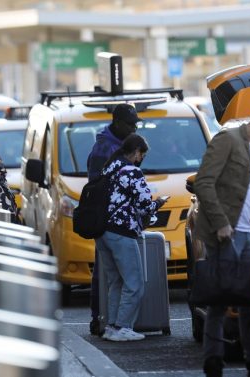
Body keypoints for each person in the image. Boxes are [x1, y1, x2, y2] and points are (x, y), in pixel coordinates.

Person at [193, 101, 250, 377]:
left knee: (249, 300)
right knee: (220, 301)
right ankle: (213, 363)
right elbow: (204, 182)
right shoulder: (228, 140)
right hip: (226, 235)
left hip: (247, 237)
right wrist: (221, 223)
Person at [97, 134, 168, 342]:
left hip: (102, 232)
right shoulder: (132, 172)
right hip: (121, 233)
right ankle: (123, 327)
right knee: (134, 282)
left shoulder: (109, 168)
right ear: (136, 152)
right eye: (142, 155)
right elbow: (144, 206)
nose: (141, 159)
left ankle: (111, 327)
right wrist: (159, 203)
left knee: (116, 282)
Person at [85, 103, 141, 335]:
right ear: (116, 122)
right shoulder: (103, 149)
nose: (133, 128)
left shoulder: (123, 144)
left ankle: (109, 323)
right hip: (110, 222)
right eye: (129, 123)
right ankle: (102, 320)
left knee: (115, 278)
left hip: (118, 221)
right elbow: (99, 187)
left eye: (136, 123)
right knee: (108, 275)